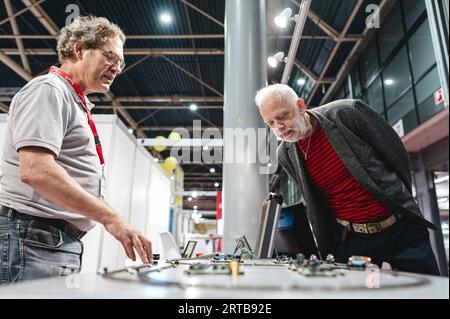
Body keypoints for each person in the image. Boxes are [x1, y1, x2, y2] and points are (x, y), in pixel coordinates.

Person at [0, 16, 152, 285]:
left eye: (121, 62)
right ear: (80, 49)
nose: (116, 68)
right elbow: (36, 170)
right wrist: (110, 218)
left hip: (47, 242)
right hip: (32, 239)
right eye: (110, 57)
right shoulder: (49, 90)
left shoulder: (73, 99)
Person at [255, 84, 440, 276]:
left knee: (430, 290)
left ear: (300, 106)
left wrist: (400, 197)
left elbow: (395, 153)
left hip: (401, 229)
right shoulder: (286, 153)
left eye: (282, 116)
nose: (279, 127)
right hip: (353, 240)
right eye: (271, 123)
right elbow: (314, 200)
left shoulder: (347, 113)